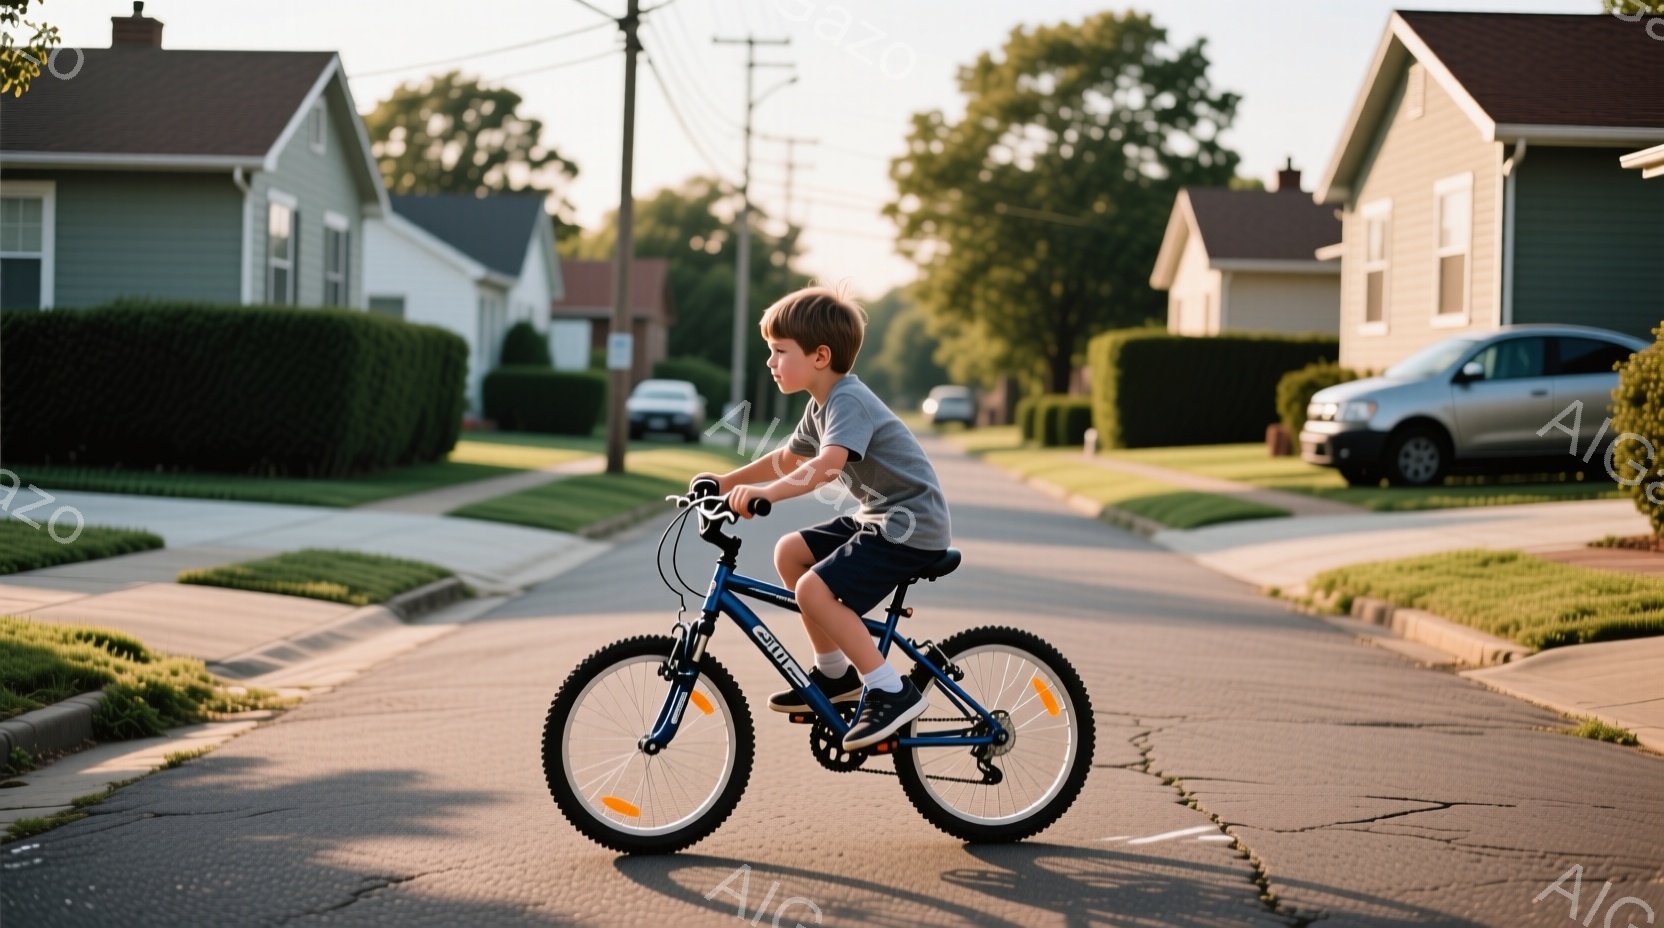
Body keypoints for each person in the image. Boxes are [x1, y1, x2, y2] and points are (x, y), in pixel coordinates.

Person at [693, 286, 954, 750]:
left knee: (814, 588)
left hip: (910, 527)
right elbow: (789, 459)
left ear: (820, 356)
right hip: (880, 518)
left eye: (779, 351)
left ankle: (888, 689)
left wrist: (765, 495)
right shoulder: (822, 404)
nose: (771, 362)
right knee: (791, 553)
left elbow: (828, 465)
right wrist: (726, 482)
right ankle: (835, 678)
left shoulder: (847, 400)